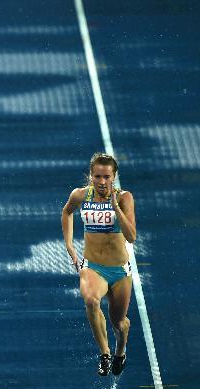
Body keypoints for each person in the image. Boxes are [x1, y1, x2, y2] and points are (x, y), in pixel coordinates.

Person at [61, 153, 137, 376]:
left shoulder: (124, 198)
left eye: (106, 177)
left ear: (114, 177)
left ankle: (120, 352)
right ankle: (104, 353)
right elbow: (67, 212)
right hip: (92, 266)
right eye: (97, 177)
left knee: (119, 323)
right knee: (91, 300)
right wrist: (69, 245)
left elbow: (131, 236)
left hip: (119, 270)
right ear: (91, 176)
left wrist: (116, 208)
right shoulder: (80, 195)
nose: (102, 182)